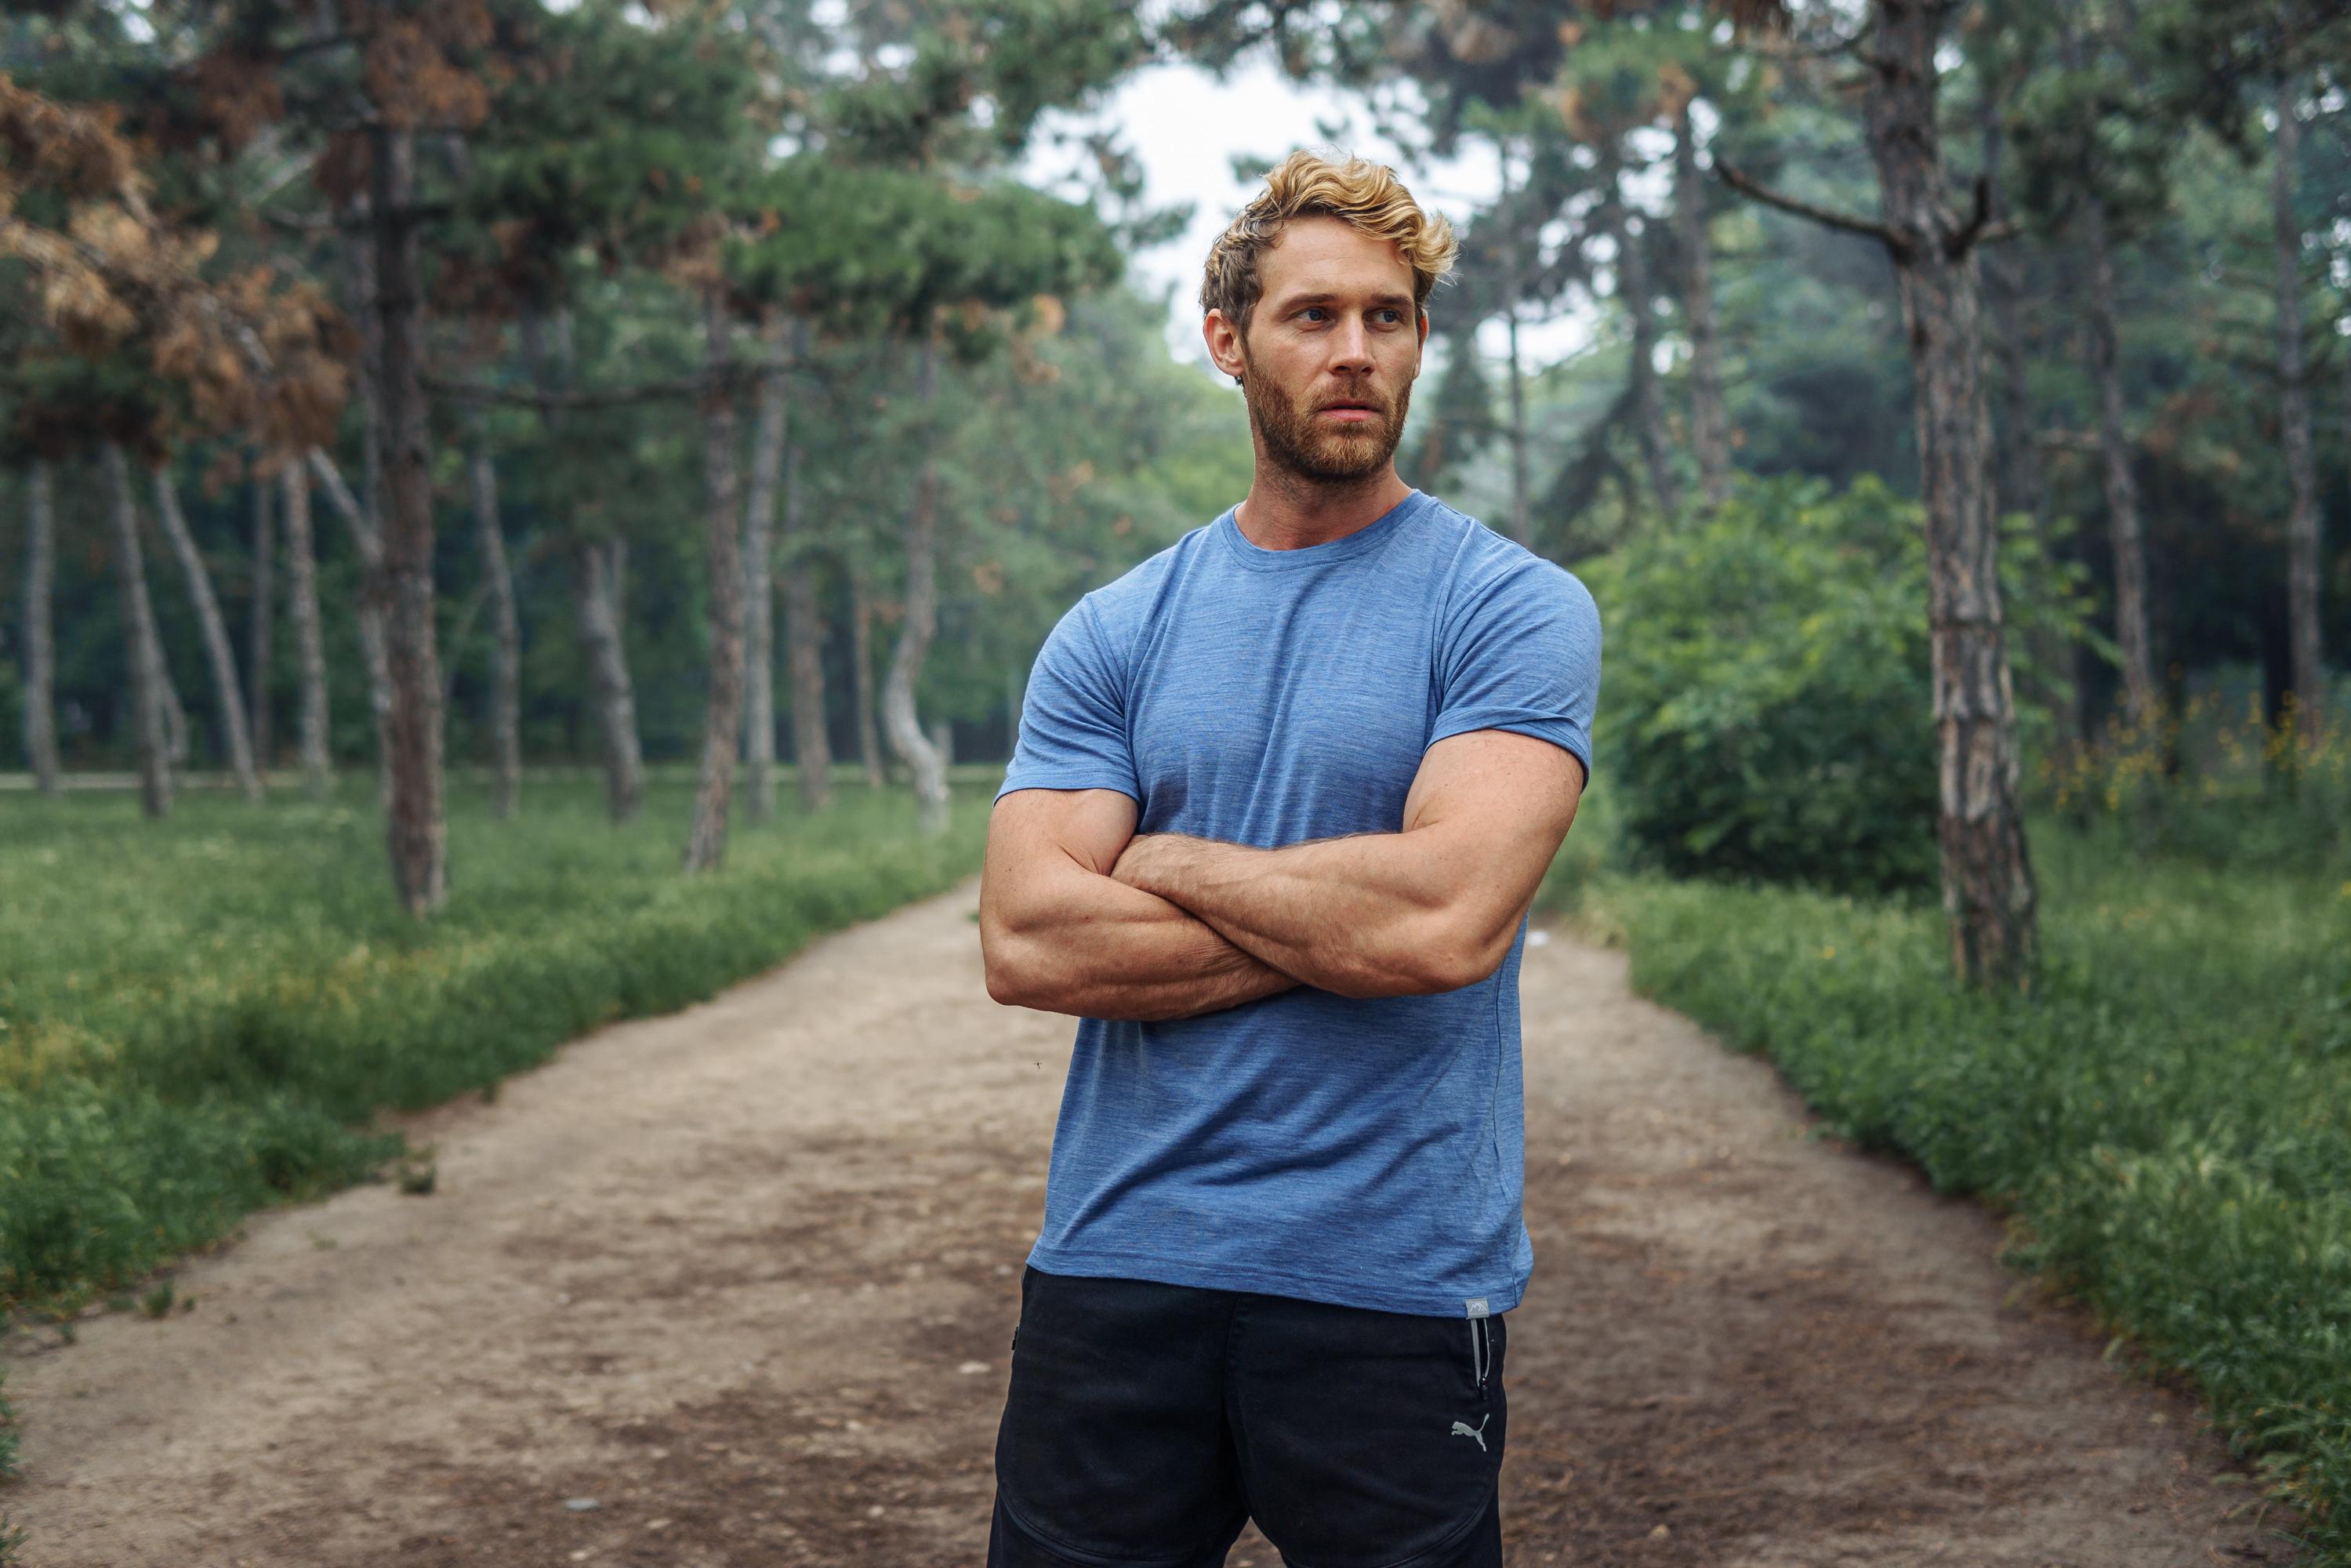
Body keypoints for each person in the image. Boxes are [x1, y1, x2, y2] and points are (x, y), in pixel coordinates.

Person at [976, 148, 1602, 1568]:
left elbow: (1444, 927)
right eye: (1312, 316)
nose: (1355, 351)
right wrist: (1351, 918)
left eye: (1389, 317)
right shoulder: (1116, 628)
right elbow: (1027, 940)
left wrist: (1167, 862)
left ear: (1421, 342)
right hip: (1116, 1268)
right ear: (1228, 342)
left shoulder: (1510, 607)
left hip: (1391, 1287)